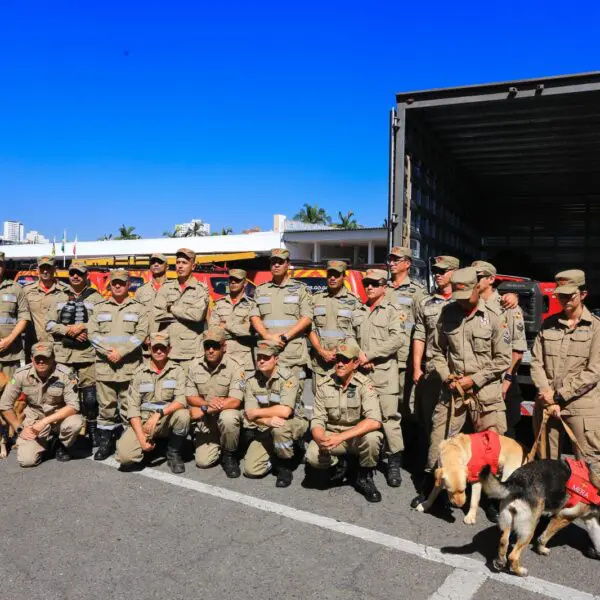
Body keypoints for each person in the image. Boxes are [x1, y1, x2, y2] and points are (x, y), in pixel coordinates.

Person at [412, 267, 511, 507]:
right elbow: (435, 352)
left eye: (467, 297)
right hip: (453, 390)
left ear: (478, 288)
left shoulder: (495, 317)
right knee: (439, 440)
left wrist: (474, 379)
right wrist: (447, 376)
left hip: (485, 391)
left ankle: (489, 500)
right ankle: (433, 489)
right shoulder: (448, 313)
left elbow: (503, 359)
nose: (463, 303)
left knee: (490, 446)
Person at [531, 269, 600, 465]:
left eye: (570, 295)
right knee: (547, 466)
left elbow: (594, 371)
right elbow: (537, 361)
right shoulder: (548, 324)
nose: (564, 299)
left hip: (582, 406)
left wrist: (559, 395)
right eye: (560, 294)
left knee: (589, 466)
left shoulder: (596, 328)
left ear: (583, 294)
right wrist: (546, 394)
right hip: (547, 404)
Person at [306, 340, 383, 502]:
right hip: (332, 434)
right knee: (313, 455)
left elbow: (374, 420)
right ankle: (338, 463)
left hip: (354, 438)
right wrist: (321, 440)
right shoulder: (324, 384)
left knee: (373, 438)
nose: (340, 364)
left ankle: (364, 476)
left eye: (345, 360)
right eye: (338, 359)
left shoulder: (364, 385)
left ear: (355, 364)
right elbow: (318, 419)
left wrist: (340, 437)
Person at [88, 269, 148, 460]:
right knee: (106, 407)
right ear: (110, 285)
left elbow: (140, 334)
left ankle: (127, 442)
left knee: (128, 407)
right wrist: (109, 352)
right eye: (114, 283)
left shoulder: (139, 308)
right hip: (105, 366)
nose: (118, 286)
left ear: (128, 284)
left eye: (122, 282)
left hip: (129, 367)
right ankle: (106, 443)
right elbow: (92, 334)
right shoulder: (99, 308)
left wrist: (121, 352)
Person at [357, 268, 408, 487]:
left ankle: (393, 463)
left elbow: (397, 340)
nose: (369, 287)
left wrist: (369, 354)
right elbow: (350, 335)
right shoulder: (359, 309)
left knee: (389, 420)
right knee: (362, 417)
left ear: (384, 286)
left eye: (374, 284)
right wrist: (358, 355)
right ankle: (364, 462)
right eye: (366, 283)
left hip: (384, 375)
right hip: (361, 374)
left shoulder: (393, 310)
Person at [46, 261, 104, 446]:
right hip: (63, 354)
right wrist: (67, 330)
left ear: (86, 276)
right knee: (62, 395)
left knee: (90, 398)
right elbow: (48, 324)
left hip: (87, 354)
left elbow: (102, 321)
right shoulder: (58, 297)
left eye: (79, 273)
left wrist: (84, 328)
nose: (75, 276)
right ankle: (62, 431)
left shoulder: (96, 298)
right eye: (72, 273)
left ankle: (92, 430)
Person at [116, 333, 190, 473]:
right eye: (155, 348)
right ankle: (146, 447)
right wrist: (140, 436)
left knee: (183, 415)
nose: (159, 351)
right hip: (144, 422)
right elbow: (132, 407)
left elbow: (181, 400)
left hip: (166, 420)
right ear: (149, 348)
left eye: (162, 348)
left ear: (169, 349)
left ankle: (173, 452)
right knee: (125, 458)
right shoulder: (139, 373)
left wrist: (158, 414)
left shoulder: (178, 371)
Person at [0, 342, 83, 467]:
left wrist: (44, 422)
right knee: (26, 461)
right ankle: (45, 445)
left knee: (75, 423)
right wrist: (19, 429)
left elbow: (73, 406)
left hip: (59, 418)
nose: (41, 361)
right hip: (34, 418)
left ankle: (60, 444)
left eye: (45, 358)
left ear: (53, 358)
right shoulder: (21, 375)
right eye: (37, 358)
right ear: (31, 359)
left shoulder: (65, 374)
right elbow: (5, 405)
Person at [412, 256, 458, 474]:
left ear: (455, 273)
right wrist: (416, 368)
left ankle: (455, 470)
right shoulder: (426, 303)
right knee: (431, 421)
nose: (437, 274)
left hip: (458, 372)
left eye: (443, 271)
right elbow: (419, 336)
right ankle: (433, 471)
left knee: (458, 424)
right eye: (436, 271)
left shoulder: (464, 301)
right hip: (432, 372)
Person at [472, 260, 527, 438]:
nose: (474, 280)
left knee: (501, 437)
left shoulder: (508, 307)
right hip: (476, 381)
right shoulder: (469, 305)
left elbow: (517, 351)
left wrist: (507, 382)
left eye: (478, 276)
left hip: (501, 383)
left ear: (491, 279)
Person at [243, 340, 308, 487]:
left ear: (276, 359)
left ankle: (285, 466)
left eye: (266, 357)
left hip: (292, 422)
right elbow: (249, 414)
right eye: (259, 357)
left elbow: (285, 411)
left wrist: (258, 413)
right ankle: (279, 452)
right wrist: (266, 421)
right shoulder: (251, 381)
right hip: (266, 426)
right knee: (251, 470)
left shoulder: (288, 377)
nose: (261, 360)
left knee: (280, 428)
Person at [250, 248, 312, 395]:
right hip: (267, 352)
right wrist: (267, 336)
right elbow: (254, 316)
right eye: (273, 262)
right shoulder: (261, 290)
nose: (276, 265)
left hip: (292, 353)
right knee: (268, 396)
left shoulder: (300, 289)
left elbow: (307, 317)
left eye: (280, 262)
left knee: (294, 398)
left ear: (288, 265)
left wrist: (285, 337)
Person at [186, 327, 245, 477]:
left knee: (229, 418)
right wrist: (206, 406)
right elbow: (190, 396)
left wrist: (208, 408)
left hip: (223, 414)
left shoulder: (235, 366)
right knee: (203, 462)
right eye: (207, 346)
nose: (211, 350)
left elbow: (235, 401)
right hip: (207, 421)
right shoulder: (194, 365)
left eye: (215, 346)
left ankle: (229, 455)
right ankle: (217, 441)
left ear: (224, 347)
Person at [385, 246, 426, 426]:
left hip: (404, 357)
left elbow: (422, 326)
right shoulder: (382, 287)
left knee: (405, 403)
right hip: (383, 356)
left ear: (407, 263)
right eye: (390, 259)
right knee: (384, 403)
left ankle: (406, 444)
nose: (391, 263)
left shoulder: (417, 291)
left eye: (396, 260)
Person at [308, 260, 363, 394]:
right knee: (319, 404)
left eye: (336, 275)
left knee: (342, 405)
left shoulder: (354, 301)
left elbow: (358, 332)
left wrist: (336, 350)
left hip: (344, 363)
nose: (332, 278)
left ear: (344, 276)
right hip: (320, 363)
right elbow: (309, 329)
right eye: (330, 275)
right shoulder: (315, 299)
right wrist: (321, 351)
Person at [153, 248, 209, 369]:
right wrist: (185, 313)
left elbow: (197, 315)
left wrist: (172, 309)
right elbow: (157, 314)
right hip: (167, 349)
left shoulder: (201, 289)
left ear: (193, 266)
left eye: (184, 263)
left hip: (191, 352)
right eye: (178, 262)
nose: (180, 266)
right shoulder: (166, 288)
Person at [209, 268, 256, 378]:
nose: (233, 282)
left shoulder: (252, 305)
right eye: (231, 280)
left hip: (244, 358)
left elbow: (250, 330)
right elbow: (213, 330)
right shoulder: (219, 304)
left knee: (244, 391)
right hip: (223, 358)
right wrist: (238, 330)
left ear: (245, 283)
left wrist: (226, 326)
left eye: (237, 280)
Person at [23, 256, 68, 348]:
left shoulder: (66, 291)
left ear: (54, 269)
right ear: (37, 270)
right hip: (34, 344)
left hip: (58, 345)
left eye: (48, 268)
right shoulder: (26, 290)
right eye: (42, 268)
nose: (45, 271)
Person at [0, 251, 30, 381]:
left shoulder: (16, 289)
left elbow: (24, 316)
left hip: (10, 354)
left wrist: (9, 340)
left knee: (9, 395)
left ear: (4, 266)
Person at [135, 253, 168, 353]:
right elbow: (135, 317)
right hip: (147, 343)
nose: (156, 264)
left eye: (160, 262)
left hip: (168, 342)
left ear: (167, 266)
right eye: (153, 262)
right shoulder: (141, 291)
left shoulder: (174, 289)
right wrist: (142, 336)